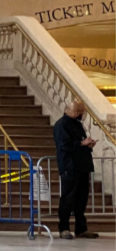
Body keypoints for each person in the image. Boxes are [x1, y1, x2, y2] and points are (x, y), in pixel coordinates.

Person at [54, 99, 99, 240]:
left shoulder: (77, 125)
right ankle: (64, 228)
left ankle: (81, 228)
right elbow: (64, 146)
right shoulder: (61, 125)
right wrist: (81, 143)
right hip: (69, 167)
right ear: (72, 111)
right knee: (68, 198)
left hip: (82, 166)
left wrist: (87, 145)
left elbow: (80, 143)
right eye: (79, 112)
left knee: (81, 199)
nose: (81, 114)